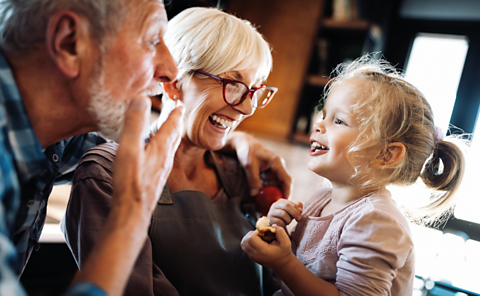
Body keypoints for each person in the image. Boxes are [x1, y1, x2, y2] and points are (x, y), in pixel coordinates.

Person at [0, 1, 291, 296]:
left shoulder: (53, 143)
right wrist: (129, 220)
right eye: (152, 40)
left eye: (254, 90)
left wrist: (229, 138)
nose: (167, 70)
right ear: (70, 43)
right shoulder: (103, 171)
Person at [241, 54, 469, 296]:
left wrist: (284, 261)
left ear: (386, 155)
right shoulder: (321, 199)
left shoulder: (377, 221)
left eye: (339, 120)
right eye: (324, 114)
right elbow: (300, 276)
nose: (319, 125)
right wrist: (278, 234)